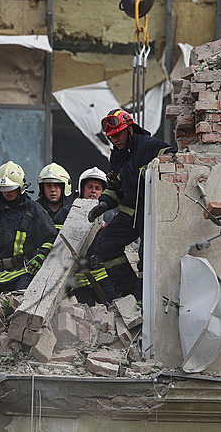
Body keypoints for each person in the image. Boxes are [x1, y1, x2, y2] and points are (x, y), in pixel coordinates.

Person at [88, 109, 176, 300]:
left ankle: (144, 302)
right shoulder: (116, 156)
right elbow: (114, 186)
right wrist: (104, 204)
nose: (115, 140)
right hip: (131, 212)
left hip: (153, 213)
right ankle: (129, 293)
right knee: (106, 243)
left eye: (118, 134)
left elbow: (173, 157)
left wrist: (154, 169)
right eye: (111, 137)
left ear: (130, 129)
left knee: (147, 256)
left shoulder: (149, 145)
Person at [0, 161, 57, 294]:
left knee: (19, 306)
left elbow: (51, 238)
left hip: (23, 272)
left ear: (20, 187)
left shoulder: (33, 210)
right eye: (3, 188)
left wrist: (40, 256)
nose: (7, 192)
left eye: (10, 188)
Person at [70, 167, 117, 306]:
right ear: (81, 189)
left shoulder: (110, 214)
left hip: (104, 276)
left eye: (97, 188)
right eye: (89, 187)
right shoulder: (69, 212)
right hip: (78, 278)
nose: (93, 191)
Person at [36, 163, 74, 231]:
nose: (53, 190)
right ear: (42, 188)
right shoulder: (33, 211)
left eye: (57, 185)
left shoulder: (73, 211)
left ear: (64, 187)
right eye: (48, 185)